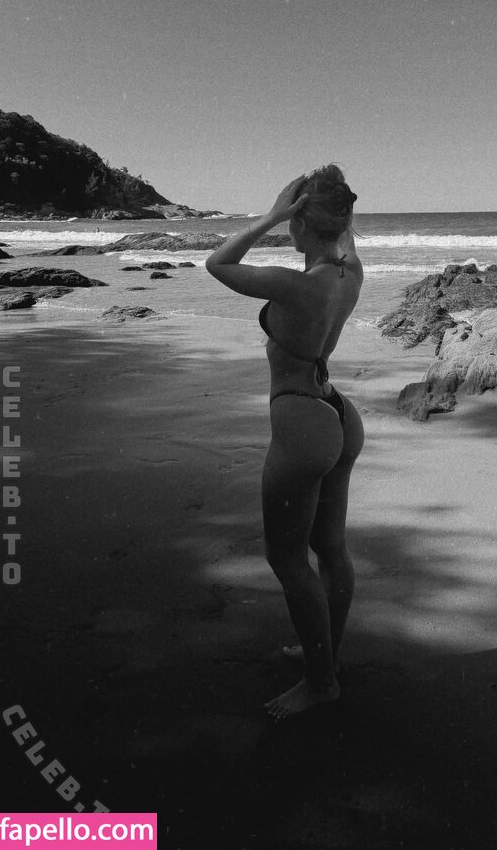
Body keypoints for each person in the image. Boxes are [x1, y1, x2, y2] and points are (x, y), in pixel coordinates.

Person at [206, 165, 364, 719]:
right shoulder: (349, 274)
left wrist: (270, 216)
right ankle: (326, 654)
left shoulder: (293, 285)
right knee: (331, 549)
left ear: (298, 222)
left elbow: (217, 263)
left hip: (302, 422)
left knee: (288, 558)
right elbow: (344, 235)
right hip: (337, 413)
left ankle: (320, 683)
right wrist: (331, 211)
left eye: (290, 218)